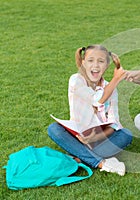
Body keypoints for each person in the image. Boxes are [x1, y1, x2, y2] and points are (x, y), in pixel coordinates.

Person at [48, 45, 132, 176]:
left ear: (107, 65)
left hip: (100, 139)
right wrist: (117, 79)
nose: (96, 65)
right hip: (79, 137)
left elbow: (114, 122)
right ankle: (101, 163)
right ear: (83, 63)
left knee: (126, 134)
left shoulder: (110, 87)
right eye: (91, 60)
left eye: (101, 61)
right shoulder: (76, 80)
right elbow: (97, 100)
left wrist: (96, 137)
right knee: (54, 129)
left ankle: (78, 156)